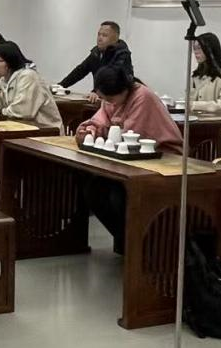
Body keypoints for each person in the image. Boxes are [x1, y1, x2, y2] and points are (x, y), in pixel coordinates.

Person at [78, 66, 183, 250]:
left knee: (119, 194)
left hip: (163, 158)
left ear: (124, 90)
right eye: (104, 99)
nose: (108, 103)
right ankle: (128, 242)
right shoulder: (111, 98)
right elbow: (100, 120)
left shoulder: (143, 97)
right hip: (131, 161)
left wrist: (105, 131)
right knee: (93, 190)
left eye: (110, 99)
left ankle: (144, 245)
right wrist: (90, 129)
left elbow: (130, 135)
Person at [0, 41, 63, 132]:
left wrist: (1, 111)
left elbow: (22, 111)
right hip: (20, 127)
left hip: (46, 130)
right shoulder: (3, 79)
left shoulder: (28, 76)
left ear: (9, 61)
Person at [59, 21, 135, 102]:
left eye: (104, 35)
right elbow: (80, 71)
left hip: (117, 102)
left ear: (115, 38)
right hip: (101, 99)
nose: (100, 38)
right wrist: (61, 86)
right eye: (99, 34)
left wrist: (96, 92)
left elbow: (114, 79)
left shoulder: (122, 54)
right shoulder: (96, 53)